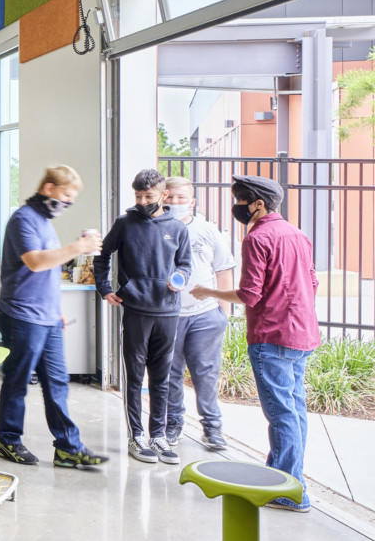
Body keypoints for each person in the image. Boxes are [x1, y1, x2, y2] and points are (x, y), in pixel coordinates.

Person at [190, 175, 319, 513]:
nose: (239, 208)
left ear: (258, 204)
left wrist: (208, 291)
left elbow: (249, 294)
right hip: (301, 335)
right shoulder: (298, 235)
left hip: (271, 336)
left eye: (241, 200)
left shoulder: (257, 238)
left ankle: (290, 492)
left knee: (282, 415)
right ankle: (281, 481)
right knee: (293, 411)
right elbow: (313, 281)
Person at [0, 165, 110, 469]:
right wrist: (78, 248)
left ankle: (69, 447)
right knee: (18, 380)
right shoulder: (23, 220)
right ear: (48, 189)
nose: (69, 202)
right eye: (66, 196)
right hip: (20, 315)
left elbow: (49, 273)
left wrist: (56, 311)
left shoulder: (45, 221)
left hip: (46, 317)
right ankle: (8, 440)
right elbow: (34, 262)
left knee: (56, 382)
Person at [93, 169, 192, 465]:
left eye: (148, 196)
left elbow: (185, 266)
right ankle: (136, 436)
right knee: (135, 377)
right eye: (138, 196)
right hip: (136, 309)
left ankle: (158, 435)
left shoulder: (178, 228)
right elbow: (102, 255)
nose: (142, 201)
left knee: (161, 379)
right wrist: (105, 288)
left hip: (168, 311)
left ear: (163, 195)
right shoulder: (124, 223)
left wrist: (179, 279)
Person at [163, 176, 234, 452]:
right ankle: (173, 423)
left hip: (205, 316)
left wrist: (222, 313)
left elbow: (223, 269)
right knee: (170, 373)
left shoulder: (207, 230)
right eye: (169, 197)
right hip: (169, 316)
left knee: (205, 373)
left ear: (192, 202)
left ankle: (212, 427)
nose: (175, 203)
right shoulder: (156, 229)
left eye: (181, 198)